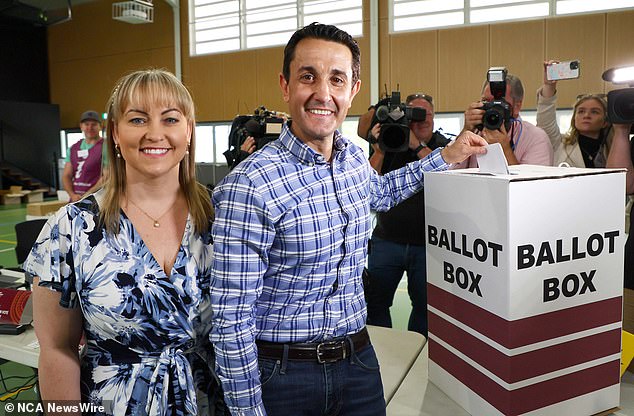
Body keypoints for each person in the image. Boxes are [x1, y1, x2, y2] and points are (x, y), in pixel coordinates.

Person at [210, 22, 487, 416]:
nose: (323, 93)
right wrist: (247, 410)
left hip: (358, 361)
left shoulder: (354, 159)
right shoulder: (250, 185)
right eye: (308, 76)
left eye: (337, 79)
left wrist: (446, 156)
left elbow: (382, 192)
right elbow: (231, 318)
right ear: (286, 86)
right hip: (283, 375)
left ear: (352, 89)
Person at [26, 69, 227, 415]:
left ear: (189, 130)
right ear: (115, 134)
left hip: (209, 403)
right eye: (138, 119)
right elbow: (58, 348)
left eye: (170, 119)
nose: (155, 133)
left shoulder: (224, 219)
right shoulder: (72, 228)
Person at [361, 93, 449, 337]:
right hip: (386, 241)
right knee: (376, 302)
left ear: (433, 117)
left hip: (426, 245)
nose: (421, 120)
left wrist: (416, 146)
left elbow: (446, 179)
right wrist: (379, 149)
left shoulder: (442, 146)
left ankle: (418, 353)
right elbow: (365, 185)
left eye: (425, 114)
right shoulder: (390, 142)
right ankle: (382, 351)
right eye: (414, 115)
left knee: (424, 308)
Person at [455, 72, 553, 168]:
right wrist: (466, 130)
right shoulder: (475, 132)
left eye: (499, 104)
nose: (492, 109)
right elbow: (447, 172)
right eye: (487, 102)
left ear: (516, 107)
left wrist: (505, 149)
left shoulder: (536, 138)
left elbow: (530, 183)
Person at [536, 60, 612, 168]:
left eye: (594, 112)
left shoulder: (612, 149)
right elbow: (546, 121)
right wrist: (549, 85)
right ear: (574, 118)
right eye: (581, 111)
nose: (586, 115)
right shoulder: (559, 144)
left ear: (605, 122)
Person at [62, 110, 107, 202]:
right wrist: (72, 195)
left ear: (100, 126)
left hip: (98, 198)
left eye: (94, 124)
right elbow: (66, 175)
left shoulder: (106, 147)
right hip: (76, 199)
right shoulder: (73, 149)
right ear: (81, 126)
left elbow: (107, 176)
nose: (90, 127)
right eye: (86, 124)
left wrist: (88, 195)